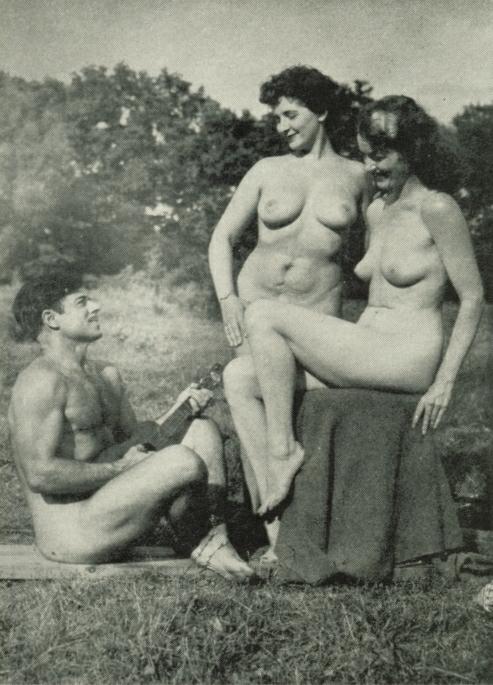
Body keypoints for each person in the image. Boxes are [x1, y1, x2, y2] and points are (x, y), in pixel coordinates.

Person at [226, 95, 484, 515]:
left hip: (406, 356)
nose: (369, 167)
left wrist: (444, 383)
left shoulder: (437, 208)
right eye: (365, 156)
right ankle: (279, 528)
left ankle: (283, 451)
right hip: (368, 349)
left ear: (412, 151)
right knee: (239, 377)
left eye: (379, 156)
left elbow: (472, 298)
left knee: (262, 314)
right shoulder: (378, 210)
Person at [208, 66, 369, 552]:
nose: (281, 126)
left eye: (291, 114)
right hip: (255, 311)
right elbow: (222, 238)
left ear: (321, 111)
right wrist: (228, 299)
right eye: (277, 117)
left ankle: (302, 524)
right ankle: (277, 535)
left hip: (316, 322)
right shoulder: (266, 170)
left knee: (279, 404)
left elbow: (377, 258)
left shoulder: (357, 176)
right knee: (248, 394)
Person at [8, 274, 254, 581]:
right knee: (182, 461)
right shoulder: (40, 382)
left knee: (201, 429)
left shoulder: (105, 375)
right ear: (51, 319)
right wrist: (121, 468)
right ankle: (201, 542)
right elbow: (39, 474)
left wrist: (179, 410)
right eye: (82, 302)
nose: (96, 307)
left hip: (110, 507)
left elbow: (135, 444)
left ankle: (212, 538)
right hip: (71, 534)